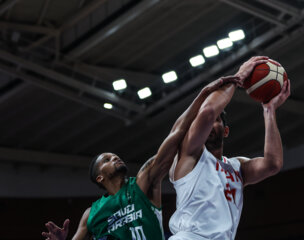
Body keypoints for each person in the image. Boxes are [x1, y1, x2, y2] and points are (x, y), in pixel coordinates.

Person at [42, 76, 240, 240]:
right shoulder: (91, 214)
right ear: (100, 178)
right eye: (107, 160)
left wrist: (203, 95)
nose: (115, 157)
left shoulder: (143, 182)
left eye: (114, 155)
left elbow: (176, 133)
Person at [168, 56, 291, 240]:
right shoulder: (188, 155)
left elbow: (272, 164)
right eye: (202, 122)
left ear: (226, 131)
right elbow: (208, 112)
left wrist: (269, 111)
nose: (209, 123)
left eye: (217, 121)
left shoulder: (237, 167)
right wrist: (239, 77)